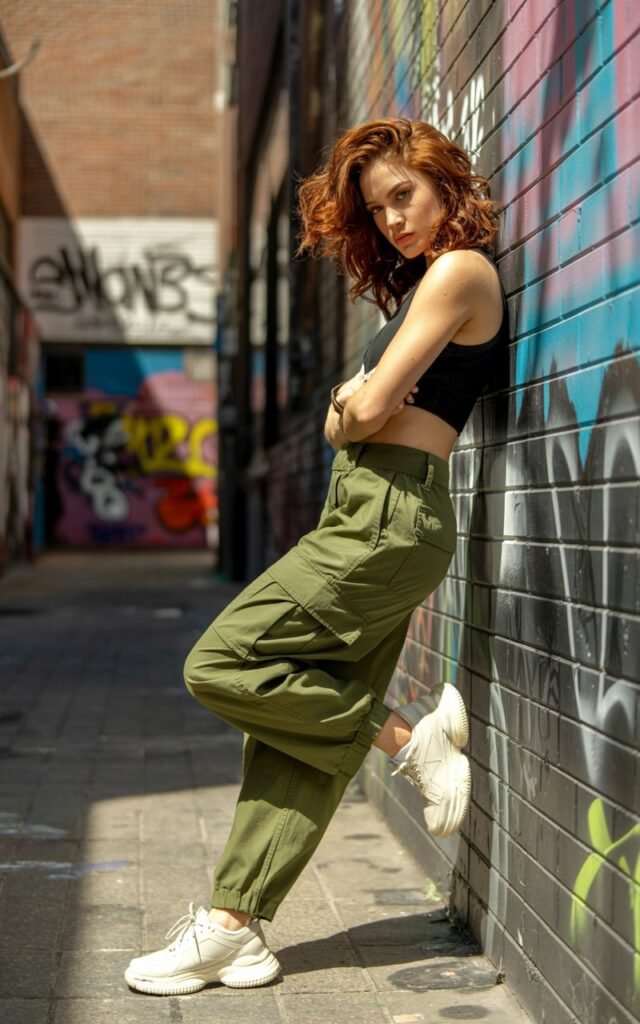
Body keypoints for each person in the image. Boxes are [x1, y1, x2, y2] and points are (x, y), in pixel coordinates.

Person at [124, 117, 508, 996]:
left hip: (387, 514)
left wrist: (353, 403)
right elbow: (353, 415)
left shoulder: (460, 272)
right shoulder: (420, 289)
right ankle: (234, 928)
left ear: (446, 180)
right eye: (377, 211)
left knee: (221, 662)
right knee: (291, 736)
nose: (393, 221)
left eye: (403, 195)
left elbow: (364, 417)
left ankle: (408, 740)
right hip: (371, 513)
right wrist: (351, 407)